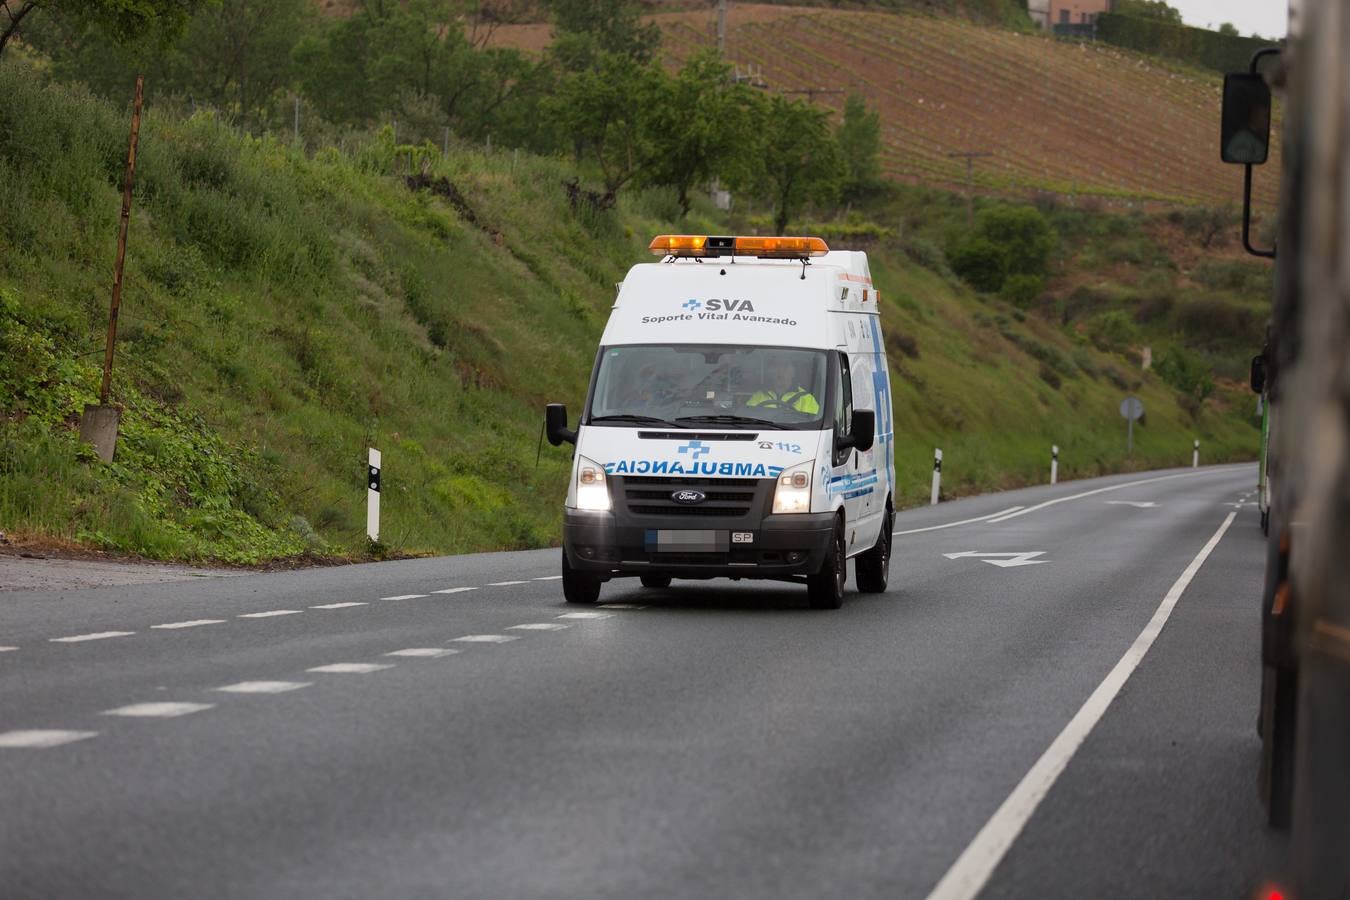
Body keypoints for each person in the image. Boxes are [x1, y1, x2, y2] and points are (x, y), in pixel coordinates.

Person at [748, 359, 820, 414]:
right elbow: (749, 418)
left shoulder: (806, 399)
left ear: (793, 373)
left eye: (785, 367)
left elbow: (813, 428)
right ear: (772, 373)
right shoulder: (759, 396)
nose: (780, 371)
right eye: (776, 367)